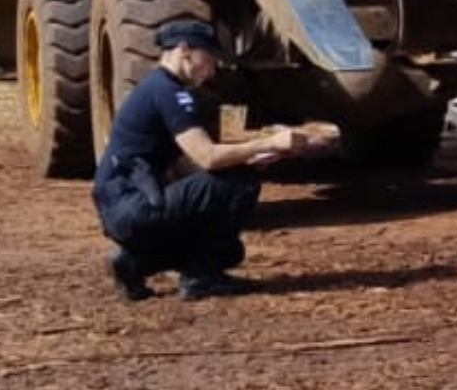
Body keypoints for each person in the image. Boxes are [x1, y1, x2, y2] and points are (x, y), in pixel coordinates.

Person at [91, 19, 307, 301]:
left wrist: (252, 157)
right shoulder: (169, 92)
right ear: (185, 50)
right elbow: (207, 157)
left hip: (124, 207)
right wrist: (267, 143)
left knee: (230, 247)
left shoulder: (157, 87)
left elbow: (189, 163)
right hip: (132, 206)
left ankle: (135, 263)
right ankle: (201, 277)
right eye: (209, 58)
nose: (212, 68)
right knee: (241, 182)